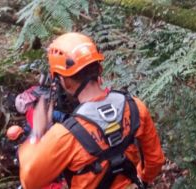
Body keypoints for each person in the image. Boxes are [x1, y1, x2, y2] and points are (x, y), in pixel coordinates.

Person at [18, 32, 165, 189]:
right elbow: (155, 161)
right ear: (99, 68)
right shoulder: (135, 107)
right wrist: (142, 178)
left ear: (63, 80)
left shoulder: (65, 135)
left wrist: (37, 133)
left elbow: (29, 181)